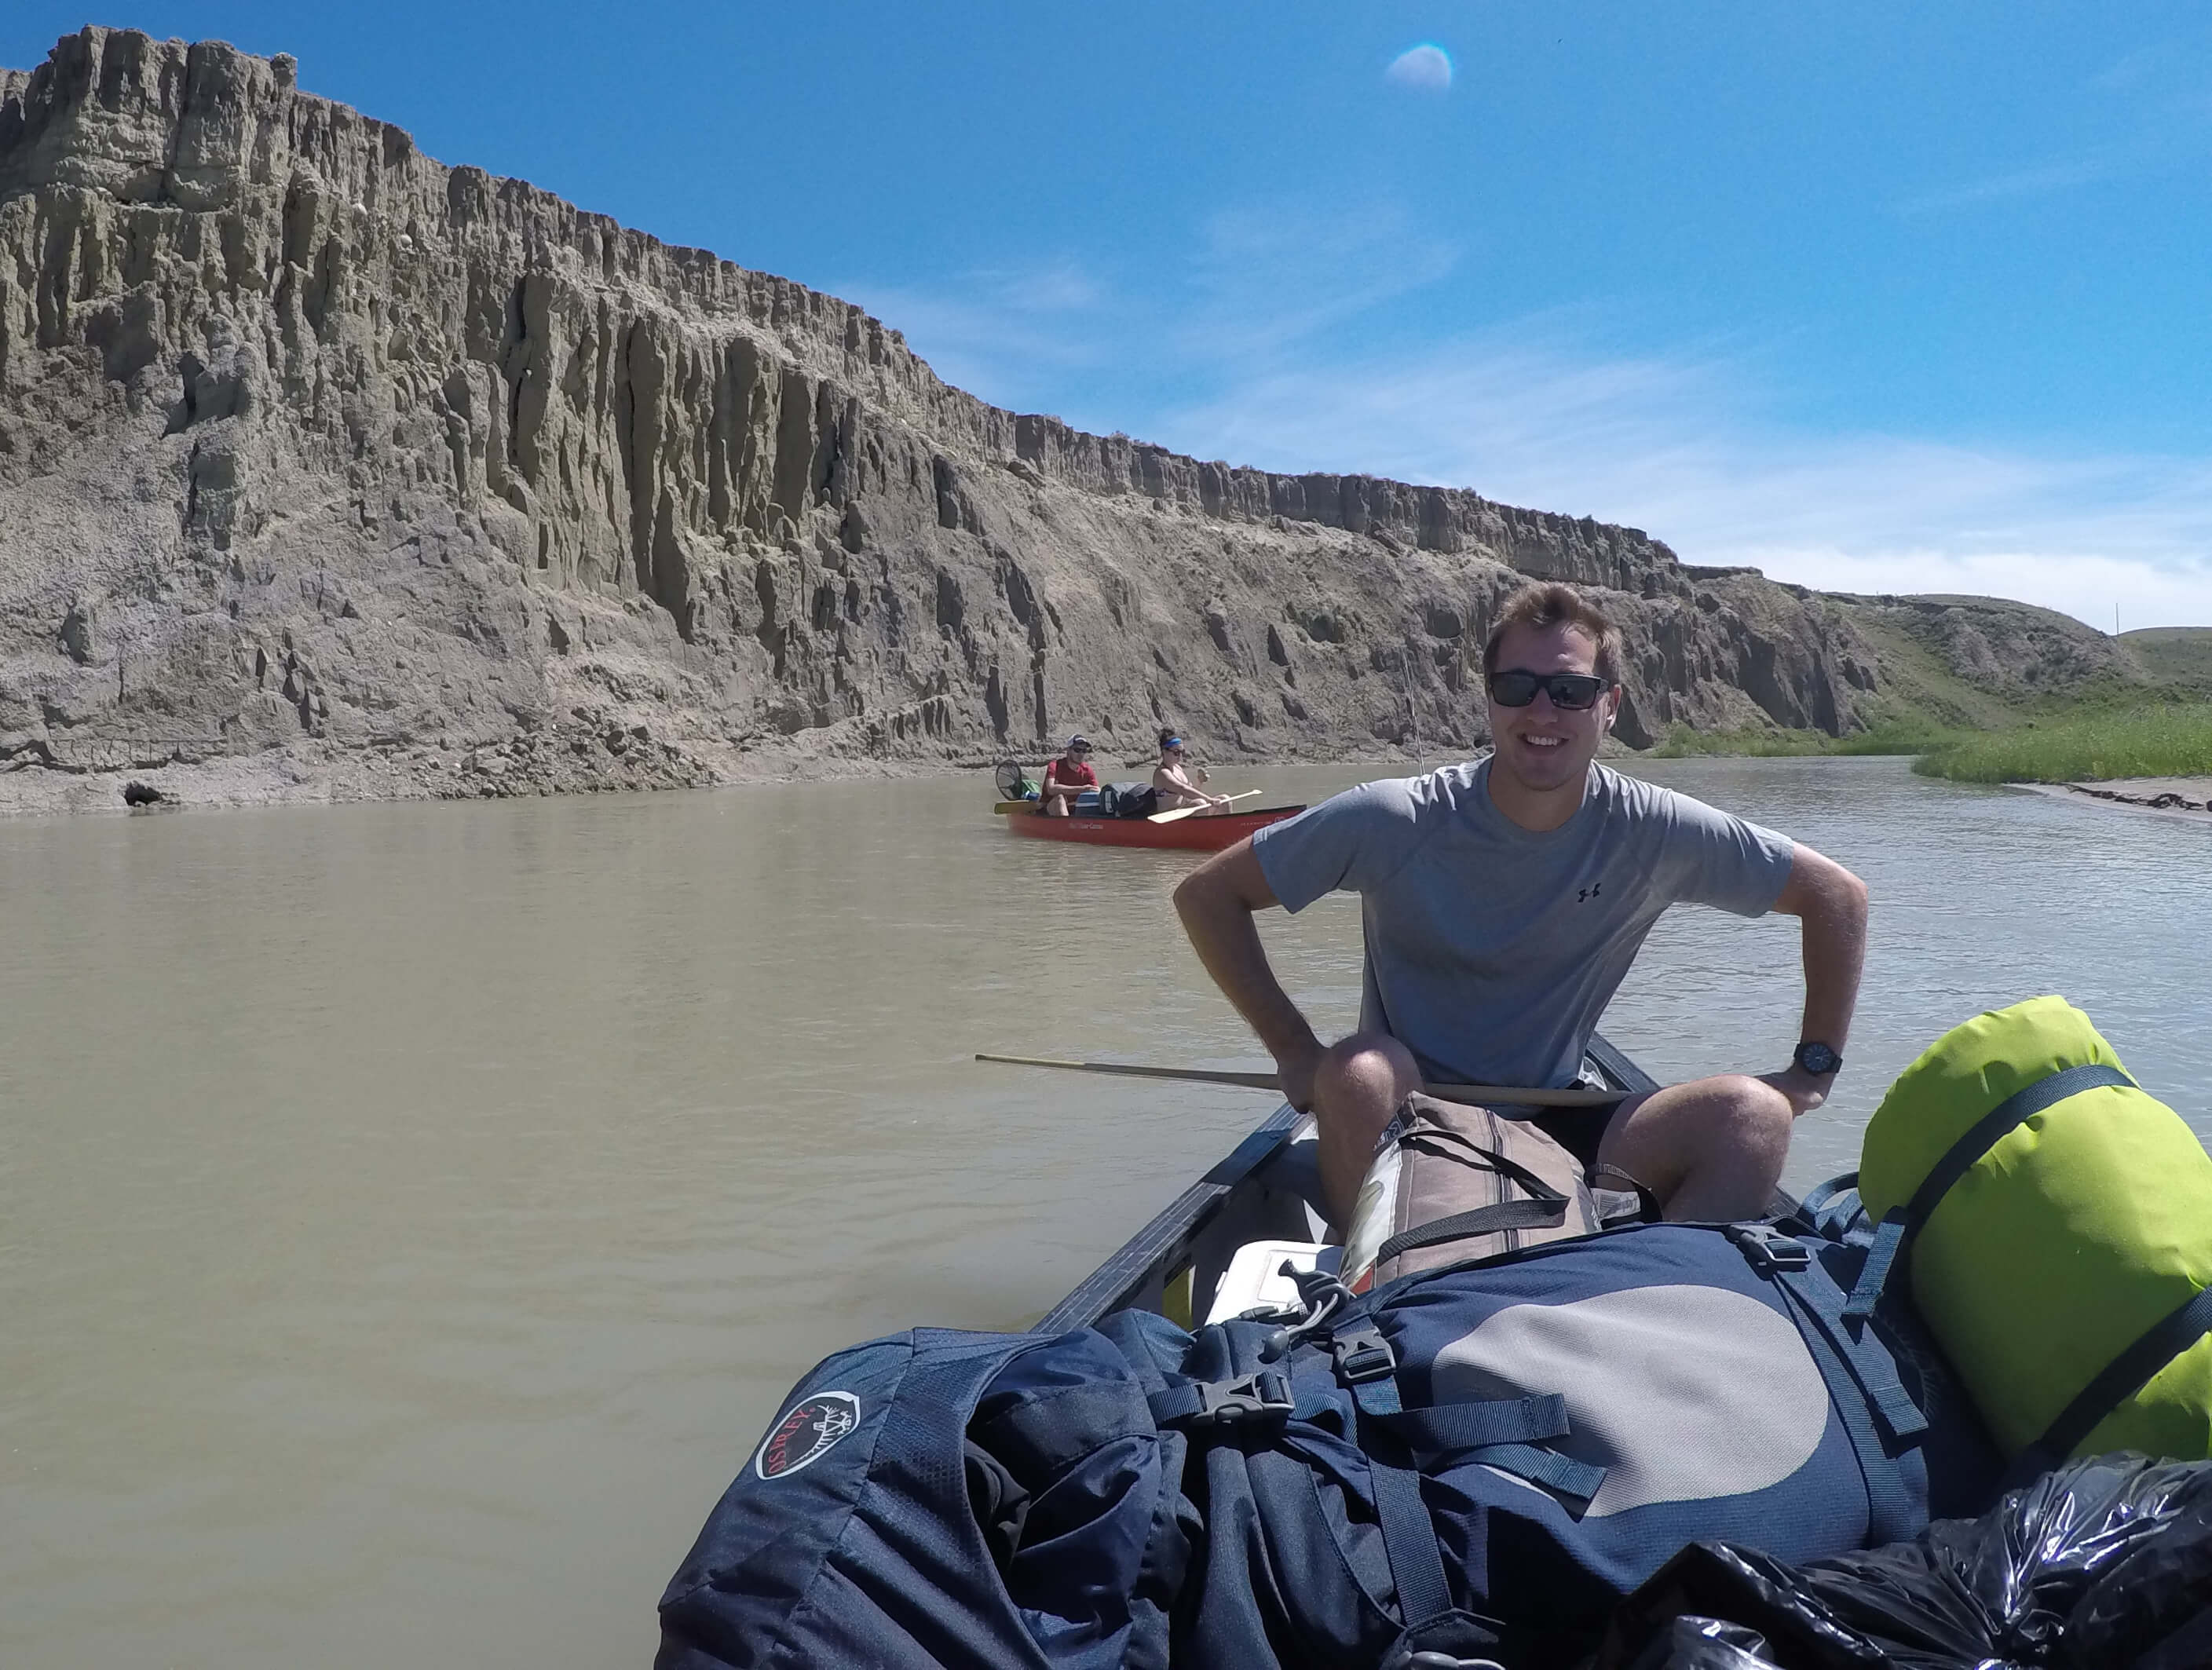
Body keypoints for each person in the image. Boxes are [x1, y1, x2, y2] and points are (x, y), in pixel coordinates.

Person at [1173, 580, 1868, 1228]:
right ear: (1488, 700)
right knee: (1357, 1070)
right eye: (1517, 687)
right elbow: (1208, 895)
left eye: (1570, 689)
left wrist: (1810, 1072)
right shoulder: (1393, 818)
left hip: (1564, 1113)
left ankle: (1647, 1303)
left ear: (1610, 706)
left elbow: (1835, 896)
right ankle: (1386, 1300)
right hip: (1404, 1115)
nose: (1542, 711)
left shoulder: (1654, 831)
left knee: (1754, 1118)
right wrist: (1294, 1050)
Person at [1152, 731, 1230, 814]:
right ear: (1164, 751)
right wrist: (1209, 799)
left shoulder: (1177, 768)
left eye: (1182, 752)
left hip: (1184, 813)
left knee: (1224, 799)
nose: (1180, 756)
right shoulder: (1162, 773)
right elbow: (1183, 789)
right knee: (1200, 803)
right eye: (1176, 752)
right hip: (1170, 817)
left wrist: (1200, 781)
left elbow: (1190, 794)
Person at [1040, 735, 1098, 817]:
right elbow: (1051, 789)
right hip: (1048, 812)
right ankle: (1067, 826)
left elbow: (1095, 793)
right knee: (1060, 798)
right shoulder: (1055, 766)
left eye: (1084, 751)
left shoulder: (1088, 771)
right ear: (1068, 750)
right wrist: (1083, 789)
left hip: (1074, 811)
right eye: (1077, 750)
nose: (1081, 754)